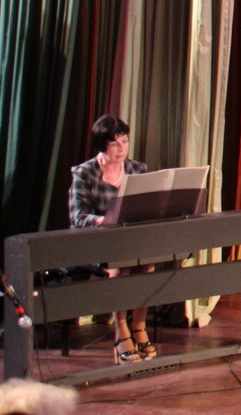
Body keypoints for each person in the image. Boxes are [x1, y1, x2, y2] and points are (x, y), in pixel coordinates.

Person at [68, 115, 157, 364]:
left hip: (130, 241)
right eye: (114, 143)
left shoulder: (137, 169)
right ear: (102, 145)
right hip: (95, 243)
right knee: (121, 266)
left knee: (147, 264)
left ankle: (139, 326)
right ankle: (121, 332)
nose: (121, 148)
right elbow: (77, 217)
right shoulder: (85, 173)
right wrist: (105, 220)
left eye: (124, 141)